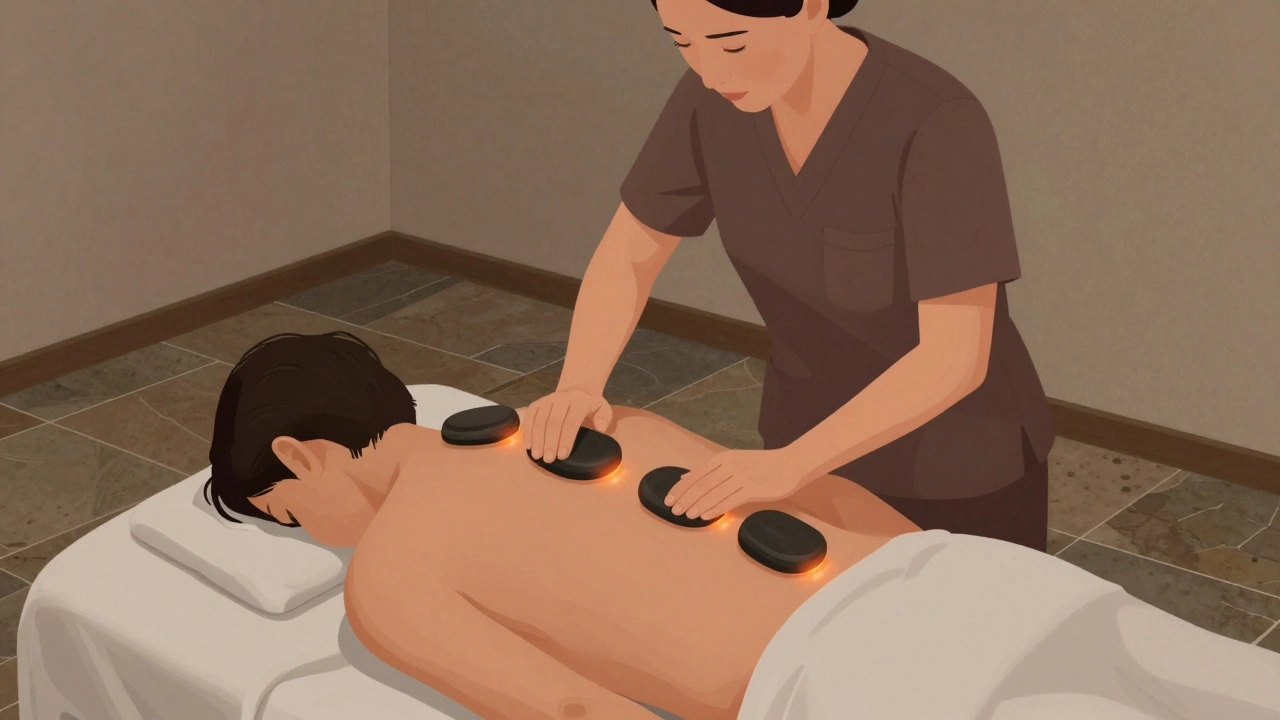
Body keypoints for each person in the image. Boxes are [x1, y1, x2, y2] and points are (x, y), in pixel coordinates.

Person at [205, 332, 1280, 720]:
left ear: (300, 455)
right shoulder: (593, 422)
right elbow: (820, 501)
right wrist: (928, 580)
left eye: (290, 518)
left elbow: (578, 714)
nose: (319, 540)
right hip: (962, 583)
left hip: (865, 691)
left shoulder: (391, 578)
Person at [523, 0, 1057, 551]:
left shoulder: (936, 118)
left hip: (953, 464)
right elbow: (630, 253)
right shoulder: (711, 101)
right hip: (797, 437)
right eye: (682, 42)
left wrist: (795, 463)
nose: (711, 70)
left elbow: (954, 356)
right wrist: (580, 383)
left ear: (812, 6)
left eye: (733, 43)